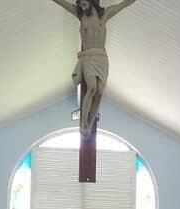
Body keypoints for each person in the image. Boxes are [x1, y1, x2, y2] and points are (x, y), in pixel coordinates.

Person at [49, 0, 140, 134]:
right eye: (80, 4)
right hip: (89, 57)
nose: (82, 7)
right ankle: (83, 122)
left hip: (101, 58)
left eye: (84, 3)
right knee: (92, 88)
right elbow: (63, 3)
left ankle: (89, 124)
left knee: (99, 94)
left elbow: (123, 5)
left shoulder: (104, 14)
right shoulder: (80, 15)